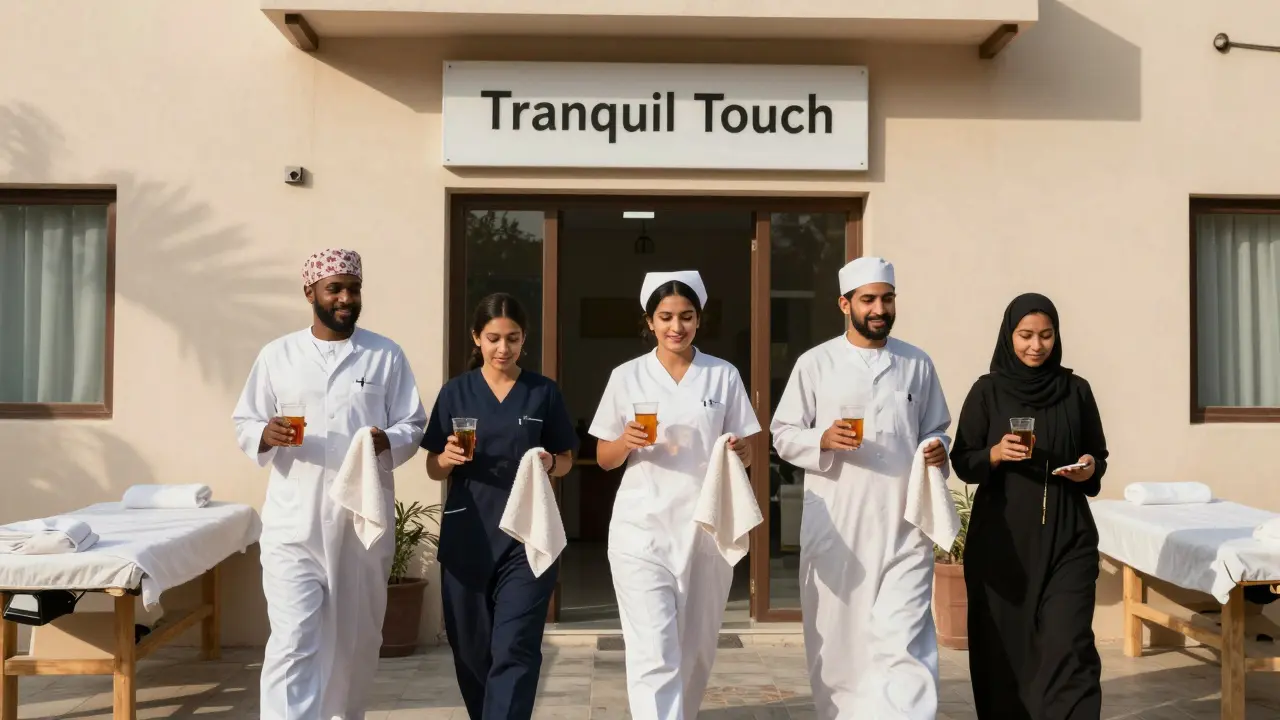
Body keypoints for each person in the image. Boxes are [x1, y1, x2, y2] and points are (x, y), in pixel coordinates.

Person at [232, 248, 427, 720]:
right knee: (293, 642)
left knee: (355, 643)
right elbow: (245, 420)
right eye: (334, 289)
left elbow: (413, 423)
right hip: (294, 524)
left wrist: (386, 438)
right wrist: (265, 432)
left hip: (360, 527)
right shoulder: (278, 355)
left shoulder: (385, 355)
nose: (345, 298)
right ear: (310, 293)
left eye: (352, 289)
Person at [769, 256, 952, 720]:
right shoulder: (816, 363)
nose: (879, 308)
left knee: (905, 643)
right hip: (838, 528)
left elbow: (937, 428)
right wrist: (823, 439)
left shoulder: (917, 363)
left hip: (905, 527)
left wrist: (936, 447)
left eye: (887, 299)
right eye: (868, 299)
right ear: (844, 303)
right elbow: (783, 433)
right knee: (841, 646)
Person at [589, 271, 760, 720]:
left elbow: (748, 451)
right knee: (653, 650)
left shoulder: (722, 376)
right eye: (665, 317)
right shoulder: (626, 377)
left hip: (706, 530)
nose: (676, 327)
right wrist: (625, 441)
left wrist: (742, 450)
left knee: (697, 650)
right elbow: (604, 458)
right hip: (641, 531)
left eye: (686, 316)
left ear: (699, 320)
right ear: (648, 321)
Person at [948, 293, 1108, 719]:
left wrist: (1088, 468)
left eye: (1045, 335)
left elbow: (1098, 455)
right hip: (1002, 545)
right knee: (1005, 654)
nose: (1035, 346)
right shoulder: (988, 392)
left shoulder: (1077, 391)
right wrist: (995, 454)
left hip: (1067, 538)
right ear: (1009, 335)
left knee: (1068, 646)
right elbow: (963, 460)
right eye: (1025, 335)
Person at [422, 293, 578, 720]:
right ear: (477, 338)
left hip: (526, 540)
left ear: (524, 339)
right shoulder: (455, 393)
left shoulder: (542, 392)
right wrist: (445, 460)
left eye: (512, 338)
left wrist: (549, 462)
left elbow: (565, 459)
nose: (502, 348)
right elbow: (433, 468)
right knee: (471, 650)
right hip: (467, 537)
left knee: (515, 647)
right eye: (493, 338)